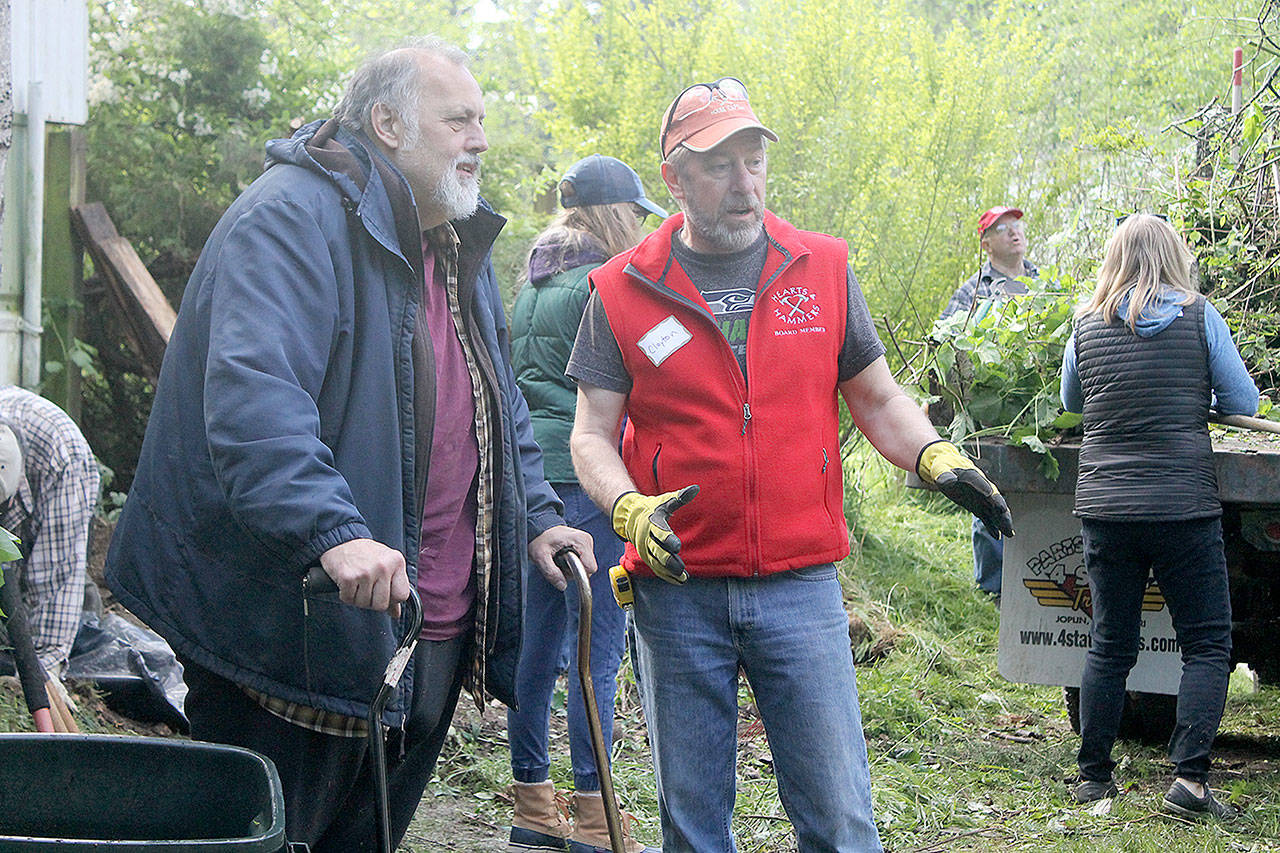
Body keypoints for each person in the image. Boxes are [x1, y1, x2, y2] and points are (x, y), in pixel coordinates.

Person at [105, 38, 594, 852]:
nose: (480, 139)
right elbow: (256, 403)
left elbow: (497, 396)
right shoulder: (290, 217)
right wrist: (334, 531)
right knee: (275, 838)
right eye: (459, 119)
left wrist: (538, 514)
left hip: (427, 622)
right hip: (301, 621)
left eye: (482, 120)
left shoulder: (450, 240)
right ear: (387, 123)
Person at [567, 76, 1014, 852]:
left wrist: (934, 454)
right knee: (694, 824)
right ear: (673, 178)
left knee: (840, 818)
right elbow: (590, 435)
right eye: (718, 165)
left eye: (754, 160)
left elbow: (876, 398)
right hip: (679, 591)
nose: (744, 184)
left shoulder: (824, 267)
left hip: (801, 588)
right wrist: (627, 505)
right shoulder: (620, 289)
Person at [1060, 214, 1256, 819]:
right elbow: (1243, 402)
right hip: (1181, 506)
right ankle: (1189, 783)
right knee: (1205, 643)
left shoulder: (1084, 325)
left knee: (1111, 643)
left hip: (1108, 508)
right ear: (1175, 256)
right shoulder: (1200, 317)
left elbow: (1072, 402)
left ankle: (1094, 778)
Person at [507, 154, 665, 853]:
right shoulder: (606, 283)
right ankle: (595, 818)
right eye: (633, 212)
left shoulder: (531, 282)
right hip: (583, 475)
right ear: (613, 213)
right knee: (597, 649)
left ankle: (532, 808)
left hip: (529, 479)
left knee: (539, 647)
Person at [939, 205, 1039, 601]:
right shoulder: (972, 291)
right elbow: (945, 337)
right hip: (988, 409)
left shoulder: (1042, 282)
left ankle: (1032, 573)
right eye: (1002, 229)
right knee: (988, 487)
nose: (1014, 233)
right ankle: (994, 587)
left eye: (1017, 226)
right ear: (986, 244)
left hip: (1031, 404)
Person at [0, 385, 100, 680]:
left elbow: (54, 580)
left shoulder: (62, 459)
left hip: (62, 487)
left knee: (61, 578)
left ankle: (83, 621)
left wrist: (40, 672)